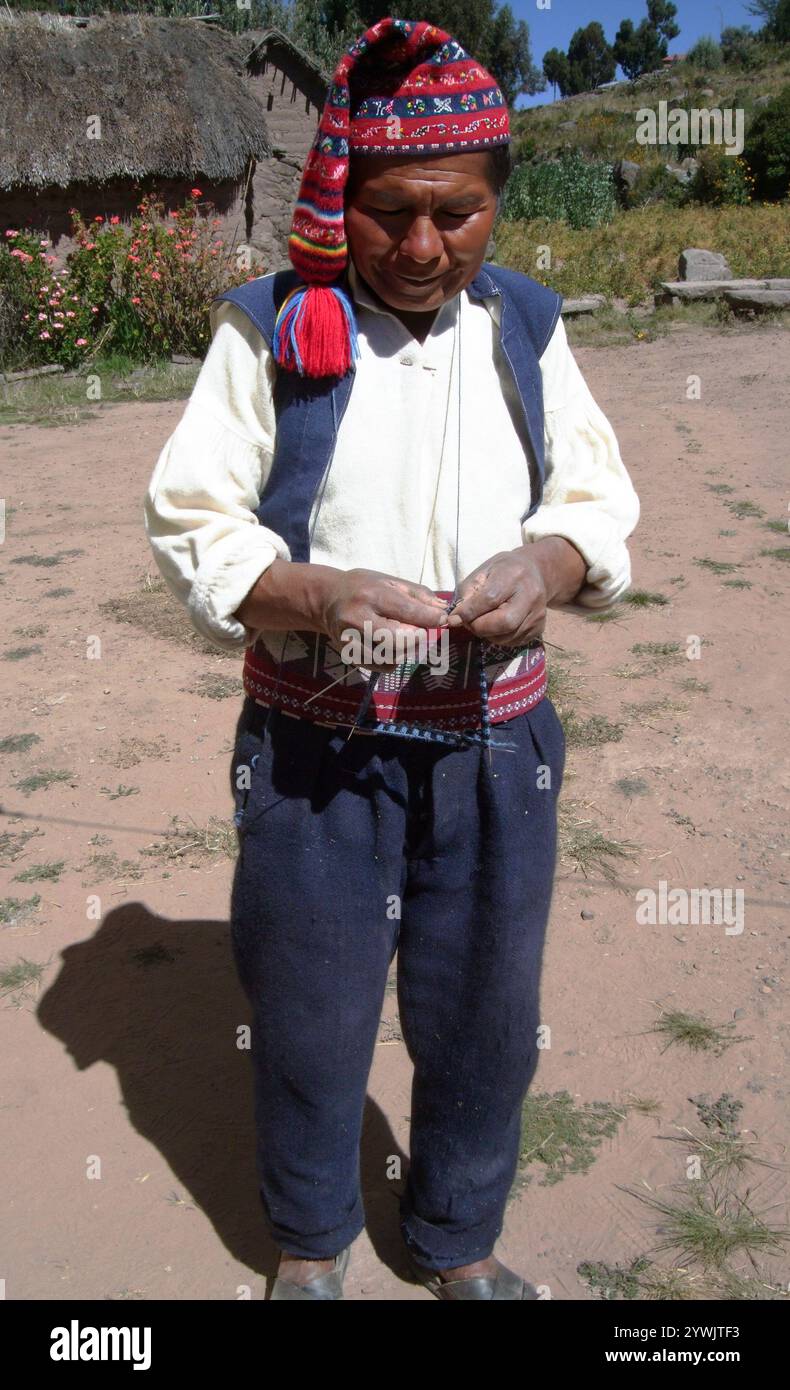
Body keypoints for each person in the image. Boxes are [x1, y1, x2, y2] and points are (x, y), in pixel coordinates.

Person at [143, 16, 640, 1300]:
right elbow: (192, 512)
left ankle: (456, 1237)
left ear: (494, 203)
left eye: (457, 215)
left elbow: (593, 500)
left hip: (494, 746)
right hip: (316, 745)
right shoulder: (271, 333)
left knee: (481, 1011)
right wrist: (314, 591)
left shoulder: (525, 326)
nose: (423, 248)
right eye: (389, 214)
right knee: (307, 1011)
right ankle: (311, 1243)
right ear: (342, 198)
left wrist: (545, 570)